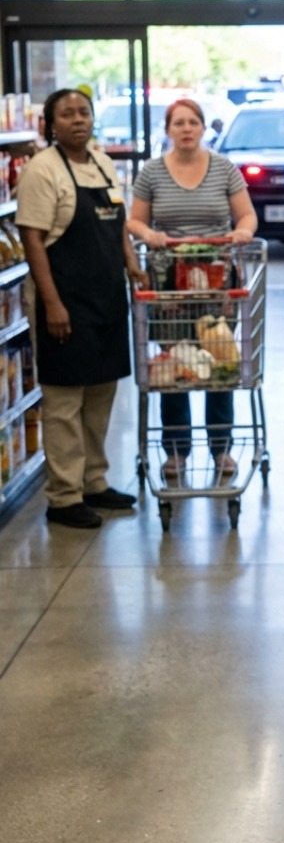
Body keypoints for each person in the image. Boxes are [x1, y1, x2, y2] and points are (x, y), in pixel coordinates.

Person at [16, 88, 146, 529]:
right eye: (67, 114)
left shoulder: (102, 163)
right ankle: (64, 495)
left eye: (83, 112)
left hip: (107, 300)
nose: (78, 120)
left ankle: (95, 481)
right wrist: (51, 303)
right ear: (51, 124)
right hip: (65, 301)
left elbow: (118, 226)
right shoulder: (41, 170)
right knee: (65, 401)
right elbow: (33, 239)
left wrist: (132, 266)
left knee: (100, 396)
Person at [127, 97, 257, 478]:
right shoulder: (151, 172)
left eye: (192, 122)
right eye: (178, 123)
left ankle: (221, 450)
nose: (186, 129)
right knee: (175, 366)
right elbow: (134, 222)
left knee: (220, 364)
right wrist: (150, 234)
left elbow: (246, 213)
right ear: (167, 130)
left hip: (217, 282)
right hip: (169, 287)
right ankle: (176, 452)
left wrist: (243, 231)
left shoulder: (224, 169)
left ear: (203, 128)